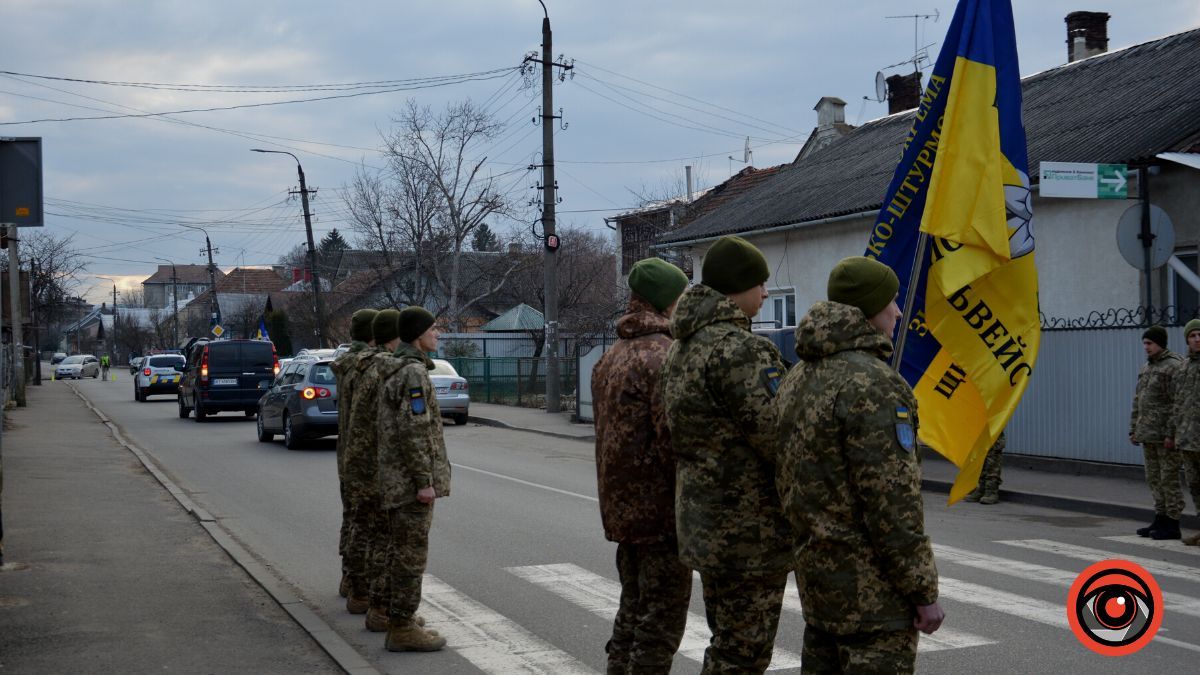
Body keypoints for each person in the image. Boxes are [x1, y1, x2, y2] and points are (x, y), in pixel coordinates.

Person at [775, 256, 943, 674]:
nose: (899, 312)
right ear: (870, 310)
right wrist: (923, 590)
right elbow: (892, 504)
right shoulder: (876, 385)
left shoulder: (797, 376)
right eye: (892, 302)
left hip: (819, 586)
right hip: (873, 599)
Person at [660, 235, 794, 674]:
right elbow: (780, 437)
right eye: (760, 283)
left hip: (704, 522)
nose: (766, 293)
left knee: (727, 641)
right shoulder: (742, 351)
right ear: (737, 288)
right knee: (744, 653)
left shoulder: (683, 346)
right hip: (748, 532)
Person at [593, 258, 692, 675]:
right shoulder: (664, 356)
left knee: (632, 610)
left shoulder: (612, 355)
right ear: (668, 301)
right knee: (660, 622)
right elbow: (673, 442)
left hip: (622, 511)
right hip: (661, 514)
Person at [377, 306, 450, 652]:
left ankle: (398, 617)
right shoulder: (413, 375)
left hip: (396, 480)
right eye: (433, 329)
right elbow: (415, 430)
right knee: (411, 555)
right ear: (418, 335)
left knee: (399, 550)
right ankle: (403, 628)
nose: (437, 334)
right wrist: (424, 481)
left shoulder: (399, 368)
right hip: (409, 484)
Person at [330, 309, 377, 605]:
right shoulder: (364, 366)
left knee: (352, 517)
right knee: (364, 522)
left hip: (346, 450)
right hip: (362, 455)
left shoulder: (346, 363)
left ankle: (349, 577)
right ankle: (359, 586)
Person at [1130, 325, 1185, 540]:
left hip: (1165, 435)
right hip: (1148, 434)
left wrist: (1172, 434)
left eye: (1149, 343)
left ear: (1160, 343)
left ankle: (1173, 522)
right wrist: (1133, 428)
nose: (1146, 347)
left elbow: (1176, 403)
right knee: (1154, 478)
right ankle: (1160, 517)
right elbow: (1139, 401)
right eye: (1144, 343)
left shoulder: (1173, 366)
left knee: (1168, 478)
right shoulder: (1147, 367)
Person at [1170, 319, 1200, 546]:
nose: (1197, 339)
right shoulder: (1182, 368)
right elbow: (1176, 404)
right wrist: (1172, 434)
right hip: (1187, 441)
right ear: (1187, 340)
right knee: (1195, 487)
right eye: (1193, 336)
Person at [963, 431, 1006, 505]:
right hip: (983, 428)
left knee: (992, 461)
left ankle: (991, 492)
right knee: (981, 458)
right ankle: (981, 489)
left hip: (993, 430)